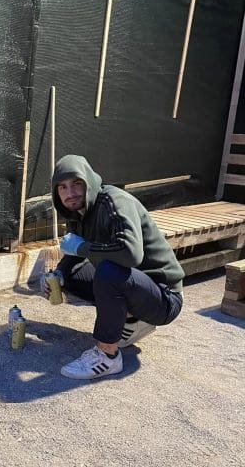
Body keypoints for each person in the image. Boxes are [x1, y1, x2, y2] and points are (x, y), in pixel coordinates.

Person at [43, 155, 184, 380]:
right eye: (63, 187)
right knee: (70, 275)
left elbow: (131, 253)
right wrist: (58, 273)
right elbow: (74, 255)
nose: (70, 193)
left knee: (108, 271)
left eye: (77, 183)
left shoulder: (115, 202)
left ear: (88, 181)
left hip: (163, 297)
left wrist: (83, 247)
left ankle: (108, 356)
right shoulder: (78, 212)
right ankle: (133, 321)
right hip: (135, 286)